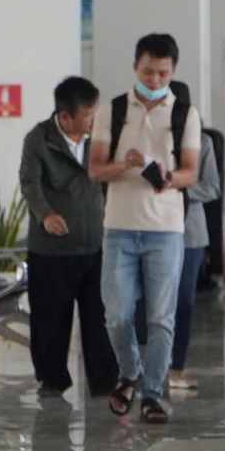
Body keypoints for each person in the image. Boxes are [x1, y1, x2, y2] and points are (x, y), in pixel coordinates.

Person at [90, 33, 201, 424]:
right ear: (135, 66)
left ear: (173, 71)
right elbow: (95, 168)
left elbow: (192, 171)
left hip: (166, 230)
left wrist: (171, 177)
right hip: (119, 228)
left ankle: (152, 393)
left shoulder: (185, 113)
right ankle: (130, 371)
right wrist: (125, 164)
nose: (154, 79)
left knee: (160, 318)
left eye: (163, 73)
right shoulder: (112, 110)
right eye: (148, 71)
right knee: (117, 315)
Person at [18, 76, 120, 400]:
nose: (94, 120)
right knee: (51, 320)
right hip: (51, 251)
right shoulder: (39, 139)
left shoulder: (99, 140)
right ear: (66, 116)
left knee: (99, 318)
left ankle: (104, 382)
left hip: (95, 245)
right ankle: (52, 381)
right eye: (88, 114)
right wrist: (45, 215)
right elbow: (30, 184)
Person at [137, 104, 220, 397]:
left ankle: (176, 368)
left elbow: (211, 188)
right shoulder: (146, 140)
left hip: (190, 235)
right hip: (151, 229)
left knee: (182, 302)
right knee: (148, 302)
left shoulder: (204, 143)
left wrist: (175, 186)